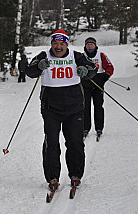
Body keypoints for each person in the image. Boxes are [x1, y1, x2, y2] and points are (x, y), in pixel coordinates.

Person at [25, 29, 97, 191]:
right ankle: (52, 177)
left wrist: (86, 71)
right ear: (51, 44)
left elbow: (92, 68)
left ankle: (75, 174)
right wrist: (39, 66)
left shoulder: (76, 56)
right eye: (55, 43)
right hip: (51, 109)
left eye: (62, 44)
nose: (58, 47)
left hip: (74, 108)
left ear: (66, 44)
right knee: (52, 143)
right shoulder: (44, 55)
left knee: (75, 143)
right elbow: (30, 71)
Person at [82, 37, 114, 139]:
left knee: (98, 107)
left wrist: (106, 76)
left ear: (95, 46)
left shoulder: (101, 55)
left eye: (91, 44)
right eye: (88, 44)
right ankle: (85, 128)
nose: (90, 46)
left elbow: (109, 67)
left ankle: (99, 128)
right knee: (85, 107)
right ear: (85, 46)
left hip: (98, 85)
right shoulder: (81, 56)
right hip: (86, 85)